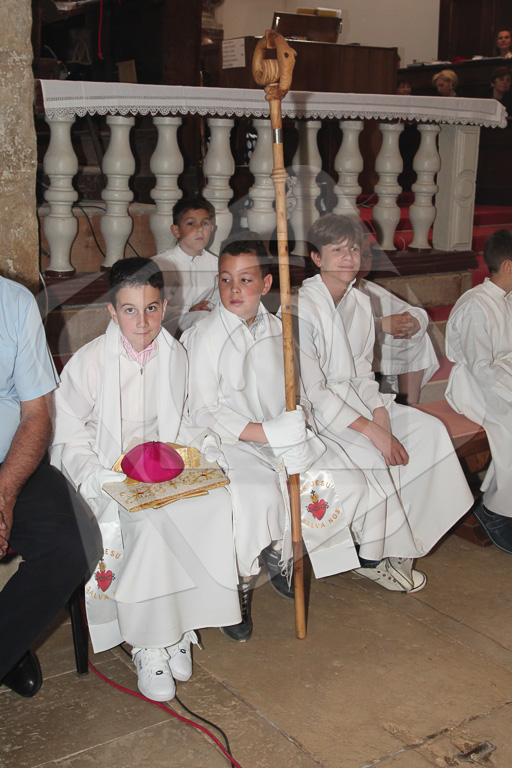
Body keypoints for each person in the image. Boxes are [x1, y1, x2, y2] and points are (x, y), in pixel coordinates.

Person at [50, 257, 240, 702]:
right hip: (106, 472)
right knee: (151, 522)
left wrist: (204, 447)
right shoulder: (90, 362)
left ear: (164, 306)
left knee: (213, 503)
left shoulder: (175, 355)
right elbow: (68, 432)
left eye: (151, 309)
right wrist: (96, 476)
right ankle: (149, 644)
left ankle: (180, 627)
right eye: (130, 310)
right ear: (112, 311)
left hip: (159, 467)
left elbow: (181, 419)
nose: (142, 322)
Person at [181, 234, 373, 641]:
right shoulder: (204, 336)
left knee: (346, 483)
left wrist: (294, 426)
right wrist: (264, 433)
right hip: (230, 441)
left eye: (246, 280)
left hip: (280, 436)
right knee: (256, 497)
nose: (234, 290)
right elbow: (203, 410)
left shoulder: (282, 332)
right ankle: (235, 585)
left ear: (267, 284)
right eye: (225, 280)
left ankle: (282, 550)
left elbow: (297, 392)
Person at [290, 214, 474, 590]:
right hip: (318, 414)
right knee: (374, 453)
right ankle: (371, 557)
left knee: (429, 432)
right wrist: (373, 431)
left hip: (360, 401)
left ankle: (408, 536)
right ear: (317, 258)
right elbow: (315, 390)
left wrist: (380, 414)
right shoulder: (299, 308)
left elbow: (362, 372)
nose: (348, 257)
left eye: (353, 249)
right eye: (337, 250)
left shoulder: (360, 301)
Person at [0, 276, 100, 697]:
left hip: (11, 463)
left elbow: (37, 412)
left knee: (73, 544)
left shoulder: (13, 302)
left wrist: (4, 495)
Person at [445, 229, 512, 553]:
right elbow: (481, 366)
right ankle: (495, 511)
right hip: (475, 386)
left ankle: (498, 499)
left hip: (501, 379)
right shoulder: (476, 305)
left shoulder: (506, 298)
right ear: (509, 266)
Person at [356, 237, 439, 405]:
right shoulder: (326, 290)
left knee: (415, 336)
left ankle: (409, 406)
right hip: (344, 358)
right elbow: (339, 326)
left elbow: (414, 312)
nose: (364, 261)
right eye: (359, 254)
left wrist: (413, 323)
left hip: (370, 342)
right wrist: (380, 324)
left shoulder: (365, 286)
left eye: (367, 256)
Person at [152, 197, 218, 338]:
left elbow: (218, 298)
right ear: (176, 230)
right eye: (191, 223)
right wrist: (189, 310)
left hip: (204, 323)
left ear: (211, 228)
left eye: (205, 223)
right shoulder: (159, 264)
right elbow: (149, 305)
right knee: (202, 319)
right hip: (166, 326)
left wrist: (210, 307)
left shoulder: (217, 264)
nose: (199, 229)